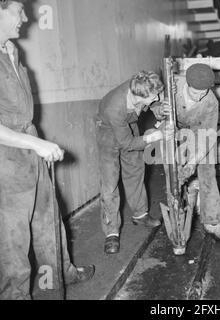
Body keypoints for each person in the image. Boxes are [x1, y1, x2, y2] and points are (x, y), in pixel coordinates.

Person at [0, 0, 94, 300]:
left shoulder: (12, 51)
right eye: (18, 11)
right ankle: (16, 295)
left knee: (47, 219)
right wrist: (36, 143)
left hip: (29, 146)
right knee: (12, 237)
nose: (25, 17)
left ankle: (58, 278)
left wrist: (35, 142)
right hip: (6, 159)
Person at [96, 71, 172, 254]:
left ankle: (140, 214)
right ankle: (111, 232)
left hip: (129, 126)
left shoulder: (142, 86)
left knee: (136, 171)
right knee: (110, 184)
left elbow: (151, 105)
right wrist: (154, 136)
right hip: (108, 134)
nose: (158, 97)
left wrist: (160, 109)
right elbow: (127, 143)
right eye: (155, 96)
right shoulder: (114, 107)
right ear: (140, 96)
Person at [172, 63, 220, 241]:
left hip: (201, 132)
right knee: (173, 171)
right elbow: (156, 106)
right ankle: (178, 214)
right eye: (195, 93)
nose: (200, 98)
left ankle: (213, 223)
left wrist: (193, 162)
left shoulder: (211, 101)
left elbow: (209, 136)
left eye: (204, 92)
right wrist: (162, 112)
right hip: (174, 131)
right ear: (187, 85)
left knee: (207, 171)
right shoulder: (173, 87)